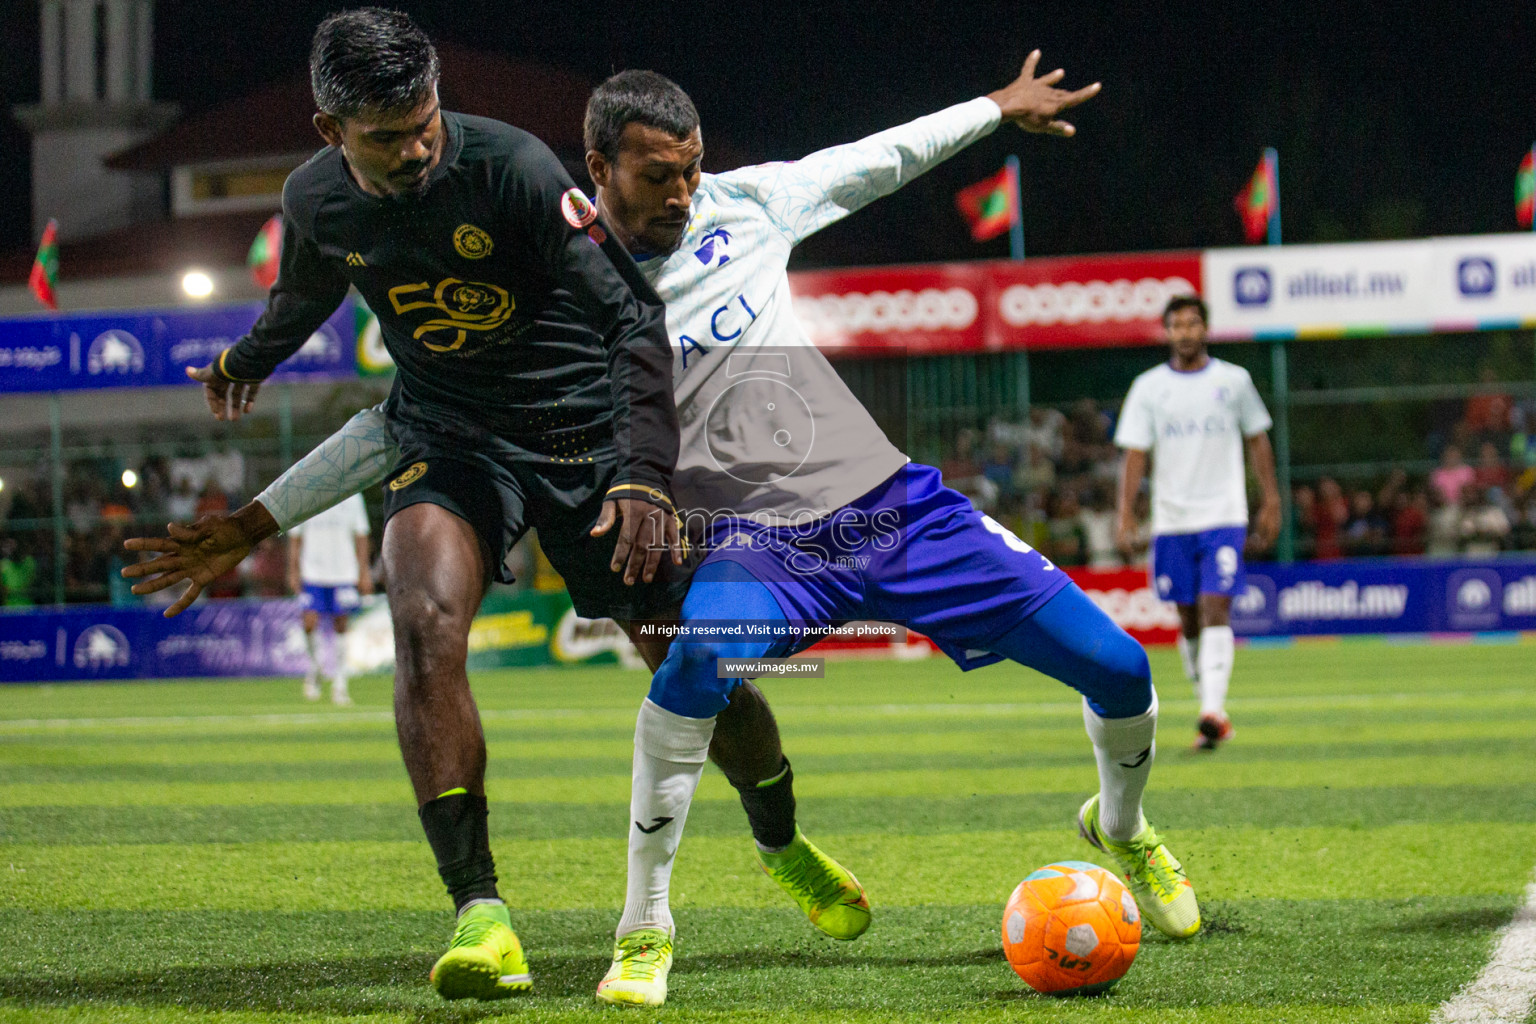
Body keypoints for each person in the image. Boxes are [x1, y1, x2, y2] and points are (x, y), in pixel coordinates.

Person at [127, 56, 1205, 1010]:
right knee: (689, 671)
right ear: (596, 171)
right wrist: (261, 511)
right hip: (757, 540)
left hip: (891, 506)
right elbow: (408, 408)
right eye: (660, 175)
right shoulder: (553, 287)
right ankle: (645, 927)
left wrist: (990, 108)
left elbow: (872, 161)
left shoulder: (746, 206)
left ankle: (1116, 824)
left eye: (691, 170)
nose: (685, 195)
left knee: (1117, 665)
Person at [130, 8, 685, 1004]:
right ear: (327, 131)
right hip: (449, 436)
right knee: (422, 622)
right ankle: (481, 912)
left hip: (580, 443)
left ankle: (779, 825)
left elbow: (637, 320)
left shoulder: (512, 168)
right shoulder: (315, 202)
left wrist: (644, 472)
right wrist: (246, 358)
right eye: (388, 136)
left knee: (680, 655)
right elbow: (304, 298)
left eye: (425, 121)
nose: (418, 147)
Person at [1115, 295, 1280, 752]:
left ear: (1205, 328)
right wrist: (1125, 513)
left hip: (1223, 514)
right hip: (1171, 519)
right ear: (1167, 332)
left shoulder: (1234, 380)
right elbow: (1135, 454)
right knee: (1187, 617)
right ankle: (1210, 712)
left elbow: (1258, 441)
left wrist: (1271, 501)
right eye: (1177, 325)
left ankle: (1212, 710)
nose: (1185, 332)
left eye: (1192, 324)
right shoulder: (1149, 387)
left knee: (1214, 607)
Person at [288, 492, 372, 705]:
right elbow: (296, 536)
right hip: (312, 572)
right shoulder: (305, 495)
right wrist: (293, 570)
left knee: (341, 625)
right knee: (308, 623)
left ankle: (340, 683)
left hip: (344, 572)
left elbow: (361, 535)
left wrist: (364, 571)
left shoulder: (352, 496)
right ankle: (315, 668)